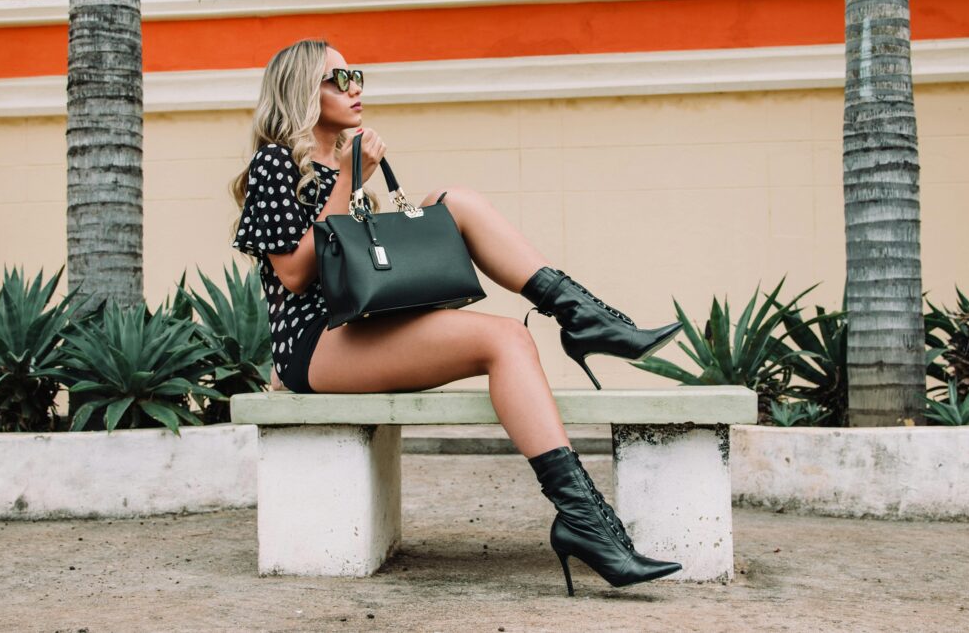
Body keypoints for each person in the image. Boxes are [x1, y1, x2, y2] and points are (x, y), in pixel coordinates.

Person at [229, 38, 686, 596]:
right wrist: (352, 179)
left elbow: (359, 261)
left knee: (459, 201)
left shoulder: (340, 160)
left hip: (364, 325)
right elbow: (298, 275)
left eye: (358, 75)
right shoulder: (274, 162)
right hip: (317, 340)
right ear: (302, 90)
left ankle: (583, 318)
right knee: (504, 342)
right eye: (338, 79)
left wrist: (353, 178)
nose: (356, 88)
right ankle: (587, 523)